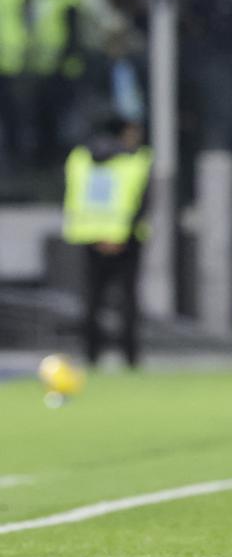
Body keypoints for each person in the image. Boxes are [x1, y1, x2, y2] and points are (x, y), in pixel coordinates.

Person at [62, 115, 151, 368]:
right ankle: (131, 358)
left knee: (91, 300)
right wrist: (117, 234)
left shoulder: (79, 158)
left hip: (89, 236)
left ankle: (91, 357)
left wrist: (98, 233)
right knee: (128, 301)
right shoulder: (135, 160)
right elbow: (141, 201)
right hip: (125, 239)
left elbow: (73, 195)